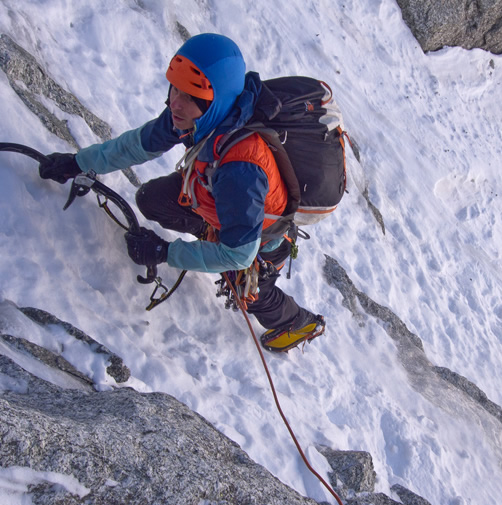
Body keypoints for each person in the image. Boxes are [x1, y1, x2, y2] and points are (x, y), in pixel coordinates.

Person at [38, 33, 325, 353]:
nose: (175, 102)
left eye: (190, 95)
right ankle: (214, 234)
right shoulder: (196, 117)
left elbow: (239, 254)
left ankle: (298, 323)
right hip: (216, 201)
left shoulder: (240, 168)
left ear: (214, 99)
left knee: (246, 285)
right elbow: (136, 145)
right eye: (175, 87)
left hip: (262, 237)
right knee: (152, 198)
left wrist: (165, 253)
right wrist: (77, 163)